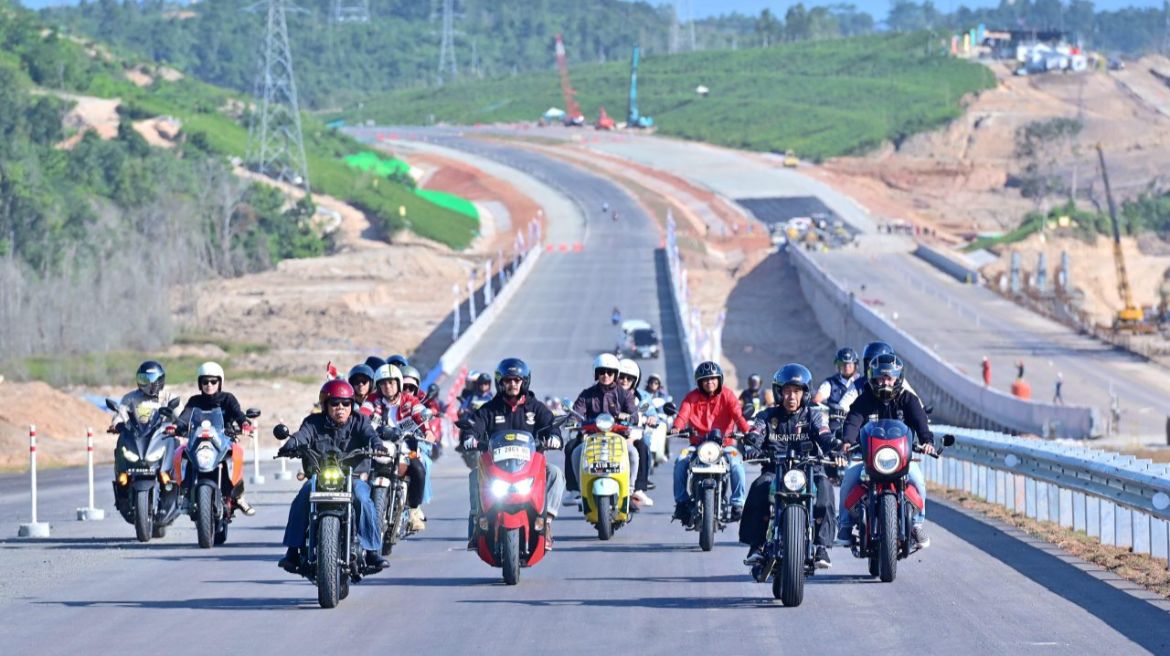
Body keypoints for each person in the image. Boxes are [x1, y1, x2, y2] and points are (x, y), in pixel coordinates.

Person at [275, 380, 389, 573]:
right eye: (335, 403)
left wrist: (378, 447)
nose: (340, 408)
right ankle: (293, 551)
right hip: (320, 476)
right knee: (302, 497)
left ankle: (372, 552)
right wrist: (291, 445)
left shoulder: (360, 421)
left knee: (363, 499)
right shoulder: (313, 423)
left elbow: (371, 436)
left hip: (351, 477)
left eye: (345, 403)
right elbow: (301, 435)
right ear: (325, 404)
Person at [741, 364, 841, 568]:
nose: (791, 397)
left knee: (825, 489)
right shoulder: (767, 416)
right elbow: (756, 432)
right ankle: (756, 545)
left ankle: (821, 547)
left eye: (796, 391)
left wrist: (834, 447)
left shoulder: (813, 416)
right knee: (759, 487)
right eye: (786, 391)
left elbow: (824, 434)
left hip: (809, 469)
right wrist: (752, 443)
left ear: (805, 393)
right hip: (774, 470)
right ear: (779, 393)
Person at [460, 358, 566, 549]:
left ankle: (547, 523)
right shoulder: (490, 409)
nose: (512, 384)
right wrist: (469, 437)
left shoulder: (536, 407)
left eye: (517, 380)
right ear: (500, 383)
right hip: (496, 470)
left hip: (530, 468)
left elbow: (551, 426)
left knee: (556, 473)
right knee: (475, 474)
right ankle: (478, 523)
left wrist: (554, 437)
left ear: (524, 382)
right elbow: (473, 426)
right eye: (508, 380)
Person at [836, 353, 934, 548]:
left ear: (898, 378)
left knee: (918, 480)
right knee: (849, 478)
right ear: (873, 377)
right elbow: (854, 420)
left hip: (901, 459)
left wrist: (927, 441)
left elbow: (920, 422)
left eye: (889, 378)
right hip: (869, 458)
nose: (885, 382)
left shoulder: (908, 399)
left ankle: (916, 524)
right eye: (880, 377)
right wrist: (847, 441)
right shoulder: (865, 399)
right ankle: (845, 525)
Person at [671, 361, 750, 525]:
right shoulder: (691, 397)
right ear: (699, 382)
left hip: (725, 446)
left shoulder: (728, 395)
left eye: (713, 379)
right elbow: (683, 415)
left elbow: (738, 415)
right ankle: (681, 502)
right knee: (680, 462)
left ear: (719, 379)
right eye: (705, 380)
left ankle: (737, 503)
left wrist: (748, 432)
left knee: (736, 463)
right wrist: (677, 427)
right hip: (697, 446)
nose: (710, 383)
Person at [175, 362, 257, 516]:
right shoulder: (194, 401)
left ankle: (238, 496)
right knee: (181, 452)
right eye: (205, 381)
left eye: (213, 381)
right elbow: (184, 417)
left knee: (237, 453)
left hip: (224, 440)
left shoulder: (228, 399)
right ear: (200, 383)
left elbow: (238, 414)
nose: (209, 385)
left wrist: (245, 424)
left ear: (220, 382)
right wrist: (176, 426)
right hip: (199, 440)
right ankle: (184, 493)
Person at [564, 353, 640, 499]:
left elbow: (634, 414)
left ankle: (630, 489)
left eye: (609, 372)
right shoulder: (587, 394)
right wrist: (573, 419)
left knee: (633, 453)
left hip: (618, 438)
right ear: (596, 374)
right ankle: (579, 490)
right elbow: (576, 411)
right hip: (592, 438)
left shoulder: (624, 394)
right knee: (575, 452)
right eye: (601, 372)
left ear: (615, 374)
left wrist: (628, 417)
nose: (605, 375)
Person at [367, 363, 428, 527]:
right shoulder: (373, 400)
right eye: (383, 383)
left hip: (406, 448)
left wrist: (427, 430)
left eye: (391, 383)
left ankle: (414, 511)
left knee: (419, 470)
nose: (388, 387)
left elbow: (420, 414)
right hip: (378, 447)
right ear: (378, 386)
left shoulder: (409, 400)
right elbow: (363, 414)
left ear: (398, 383)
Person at [617, 358, 655, 504]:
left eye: (629, 378)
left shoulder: (641, 397)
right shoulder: (607, 393)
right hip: (608, 434)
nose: (625, 380)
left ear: (635, 380)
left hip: (633, 434)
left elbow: (650, 413)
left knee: (643, 445)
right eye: (621, 377)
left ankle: (638, 488)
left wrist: (651, 418)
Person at [109, 360, 179, 431]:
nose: (149, 384)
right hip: (137, 437)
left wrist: (173, 422)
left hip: (163, 437)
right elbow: (121, 415)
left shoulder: (170, 398)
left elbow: (182, 419)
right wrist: (117, 424)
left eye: (153, 379)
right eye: (144, 379)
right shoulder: (130, 398)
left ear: (160, 380)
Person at [812, 347, 861, 434]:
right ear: (838, 365)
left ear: (855, 365)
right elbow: (817, 399)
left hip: (857, 421)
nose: (846, 367)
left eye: (849, 364)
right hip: (835, 421)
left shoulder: (862, 383)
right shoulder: (830, 382)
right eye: (843, 364)